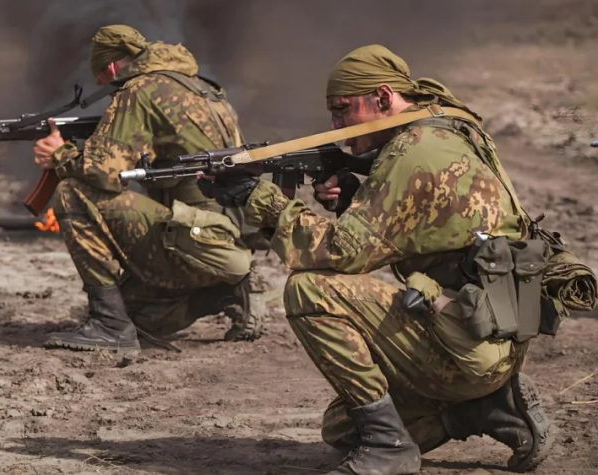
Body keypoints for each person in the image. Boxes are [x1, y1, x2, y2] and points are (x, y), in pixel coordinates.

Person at [198, 44, 562, 474]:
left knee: (310, 290)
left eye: (343, 111)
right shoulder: (444, 125)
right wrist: (355, 195)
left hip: (466, 342)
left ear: (384, 98)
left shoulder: (414, 151)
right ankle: (487, 409)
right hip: (486, 331)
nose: (336, 127)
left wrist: (259, 199)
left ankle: (391, 448)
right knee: (342, 428)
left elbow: (342, 254)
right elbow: (430, 224)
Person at [31, 25, 268, 354]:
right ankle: (225, 290)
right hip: (226, 241)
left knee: (72, 191)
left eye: (105, 81)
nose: (109, 88)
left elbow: (103, 172)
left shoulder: (139, 90)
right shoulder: (205, 89)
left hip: (195, 243)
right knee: (138, 317)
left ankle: (109, 326)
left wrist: (59, 154)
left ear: (112, 67)